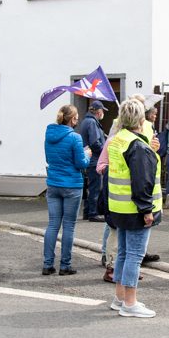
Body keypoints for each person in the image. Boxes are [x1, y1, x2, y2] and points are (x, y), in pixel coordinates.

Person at [108, 99, 162, 318]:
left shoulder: (118, 140)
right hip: (135, 209)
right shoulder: (138, 146)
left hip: (119, 207)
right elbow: (143, 181)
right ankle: (130, 303)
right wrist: (147, 210)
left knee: (123, 253)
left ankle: (119, 297)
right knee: (134, 255)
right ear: (141, 120)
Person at [43, 104, 91, 274]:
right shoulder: (75, 138)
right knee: (69, 226)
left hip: (53, 183)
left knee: (53, 225)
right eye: (77, 117)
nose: (78, 120)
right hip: (71, 185)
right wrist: (88, 154)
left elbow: (49, 158)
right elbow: (81, 163)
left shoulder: (49, 135)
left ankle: (47, 265)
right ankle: (65, 265)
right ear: (72, 119)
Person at [79, 100, 107, 222]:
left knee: (90, 186)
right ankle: (93, 213)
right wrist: (105, 152)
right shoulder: (92, 123)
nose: (103, 113)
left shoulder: (87, 121)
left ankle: (87, 212)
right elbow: (95, 143)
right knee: (95, 187)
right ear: (98, 111)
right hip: (94, 160)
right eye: (102, 111)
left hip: (89, 159)